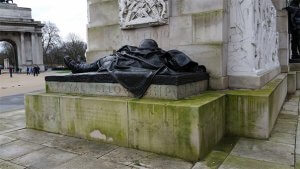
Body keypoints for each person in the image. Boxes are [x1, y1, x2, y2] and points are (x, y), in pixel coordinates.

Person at [64, 39, 206, 98]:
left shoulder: (161, 56)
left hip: (119, 63)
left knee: (104, 61)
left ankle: (78, 67)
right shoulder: (151, 55)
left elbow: (182, 63)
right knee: (105, 61)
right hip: (119, 62)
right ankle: (78, 67)